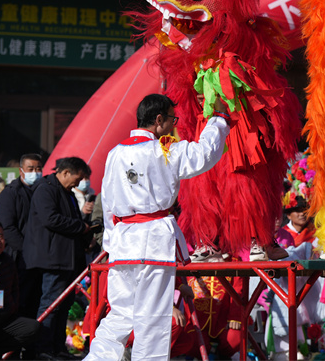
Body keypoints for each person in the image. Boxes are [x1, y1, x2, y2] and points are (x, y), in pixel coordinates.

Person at [84, 93, 235, 361]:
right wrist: (219, 119)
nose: (174, 125)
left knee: (119, 314)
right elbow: (204, 152)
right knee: (153, 319)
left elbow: (107, 202)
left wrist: (111, 245)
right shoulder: (164, 150)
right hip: (153, 243)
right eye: (172, 119)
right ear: (159, 120)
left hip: (123, 243)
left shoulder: (114, 153)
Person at [23, 156, 93, 359]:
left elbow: (72, 219)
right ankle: (43, 348)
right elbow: (50, 218)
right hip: (52, 259)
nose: (79, 184)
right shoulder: (46, 188)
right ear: (65, 173)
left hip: (69, 259)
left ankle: (57, 347)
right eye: (77, 179)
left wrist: (86, 234)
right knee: (51, 304)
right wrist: (81, 227)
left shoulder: (67, 192)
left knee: (65, 304)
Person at [0, 152, 43, 317]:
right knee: (18, 300)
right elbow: (7, 228)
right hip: (19, 256)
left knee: (34, 301)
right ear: (21, 170)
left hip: (38, 258)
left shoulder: (42, 191)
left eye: (38, 168)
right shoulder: (11, 193)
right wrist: (27, 250)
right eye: (30, 168)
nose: (34, 172)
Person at [0, 219, 41, 358]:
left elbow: (15, 289)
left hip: (4, 319)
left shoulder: (7, 261)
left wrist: (11, 308)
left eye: (1, 236)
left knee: (33, 328)